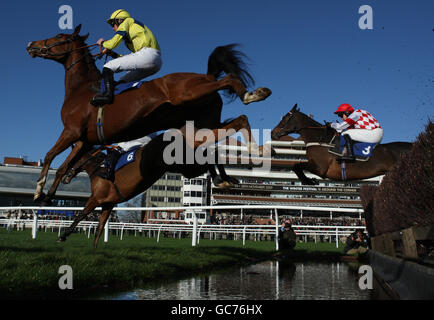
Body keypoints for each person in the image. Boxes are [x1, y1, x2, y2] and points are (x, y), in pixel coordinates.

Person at [91, 9, 162, 106]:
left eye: (113, 24)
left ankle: (107, 96)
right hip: (153, 61)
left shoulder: (127, 21)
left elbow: (112, 43)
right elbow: (131, 59)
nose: (113, 28)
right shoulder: (131, 36)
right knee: (120, 83)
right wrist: (112, 54)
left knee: (108, 66)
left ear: (119, 20)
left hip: (149, 55)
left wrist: (103, 43)